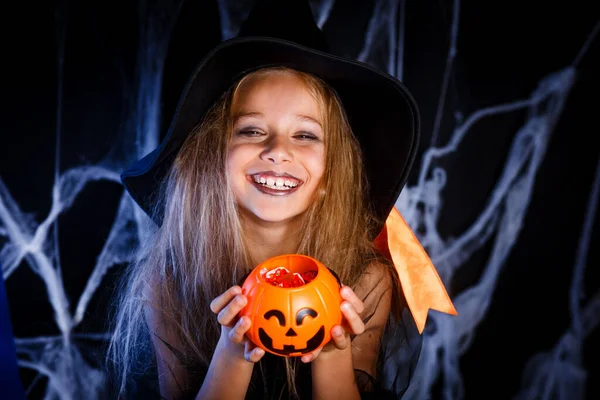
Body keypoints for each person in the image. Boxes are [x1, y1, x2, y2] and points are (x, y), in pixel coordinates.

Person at [107, 0, 456, 399]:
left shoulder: (365, 280)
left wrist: (332, 353)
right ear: (213, 159)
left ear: (330, 176)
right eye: (252, 130)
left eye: (305, 135)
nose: (277, 150)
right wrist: (234, 353)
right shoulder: (170, 280)